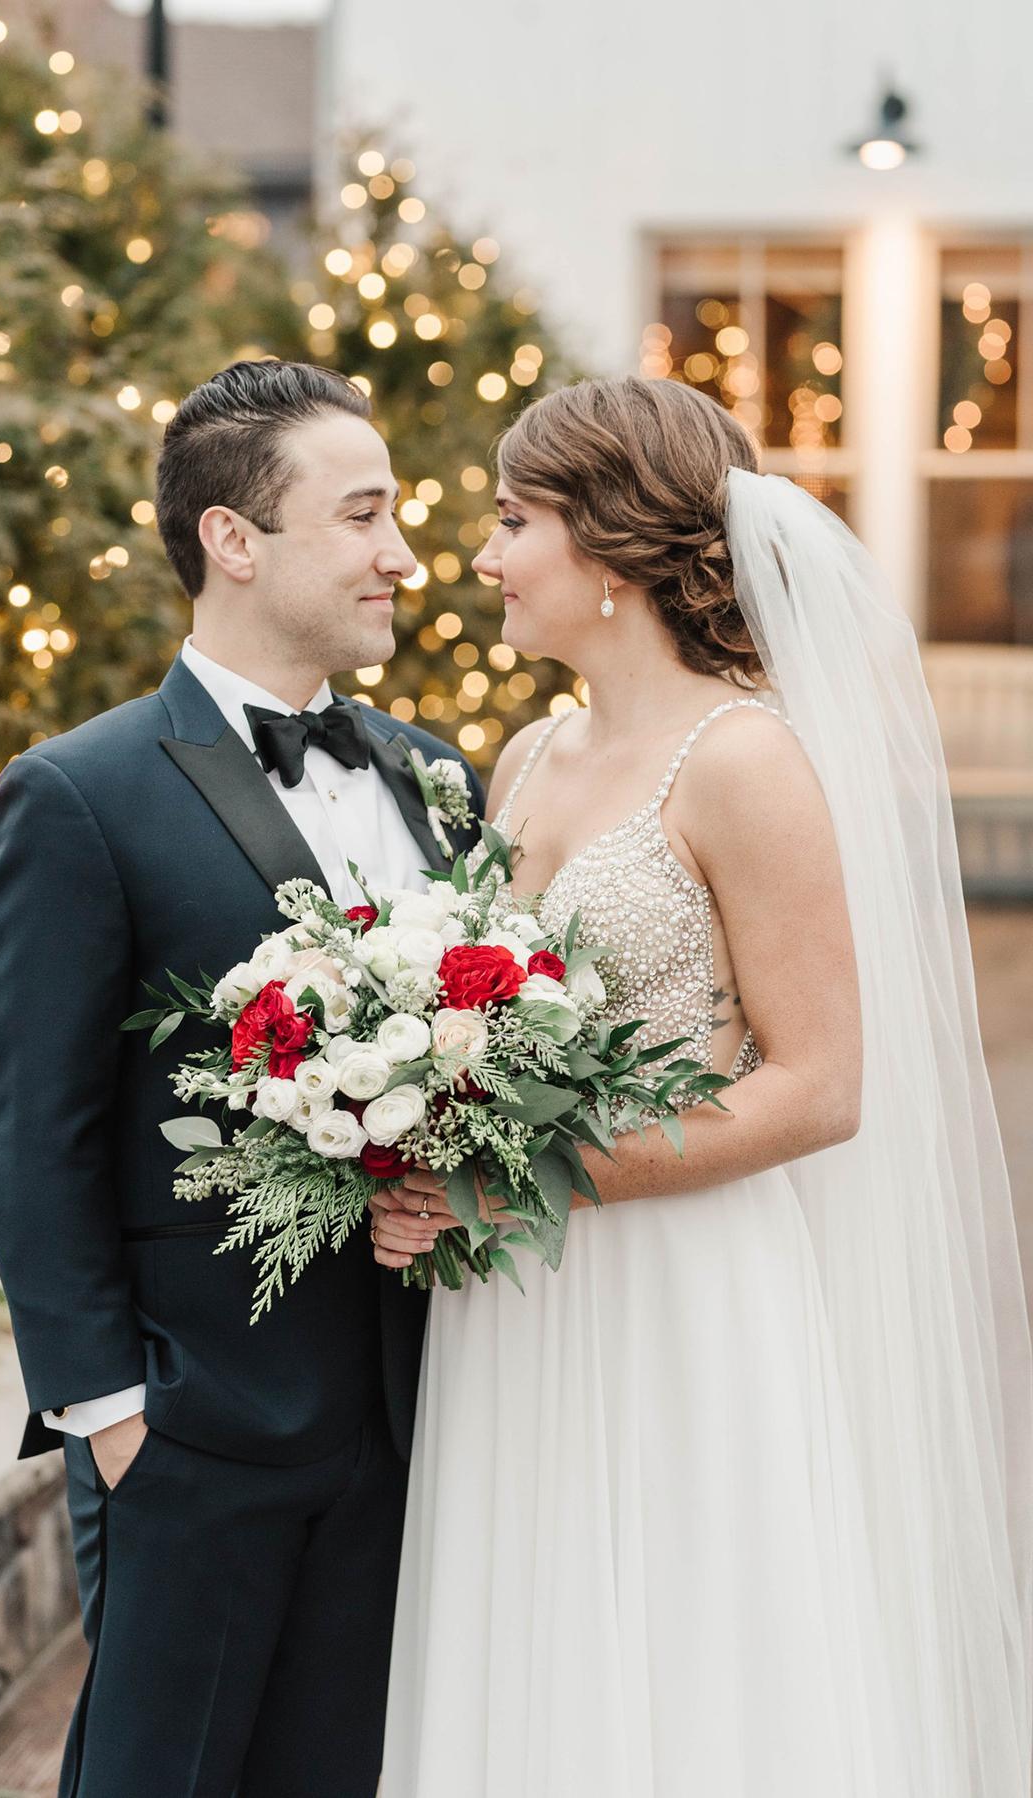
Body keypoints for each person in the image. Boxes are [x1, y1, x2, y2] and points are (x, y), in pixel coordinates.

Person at [371, 375, 1033, 1796]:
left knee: (693, 1670)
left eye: (511, 519)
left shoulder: (745, 761)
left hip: (682, 1289)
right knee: (535, 1652)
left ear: (608, 549)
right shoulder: (527, 757)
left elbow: (820, 1085)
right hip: (518, 1300)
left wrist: (537, 1169)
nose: (483, 557)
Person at [0, 359, 482, 1797]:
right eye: (364, 515)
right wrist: (116, 1421)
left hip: (418, 1424)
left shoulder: (438, 777)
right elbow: (29, 1132)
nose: (403, 555)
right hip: (196, 1434)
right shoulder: (77, 793)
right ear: (233, 539)